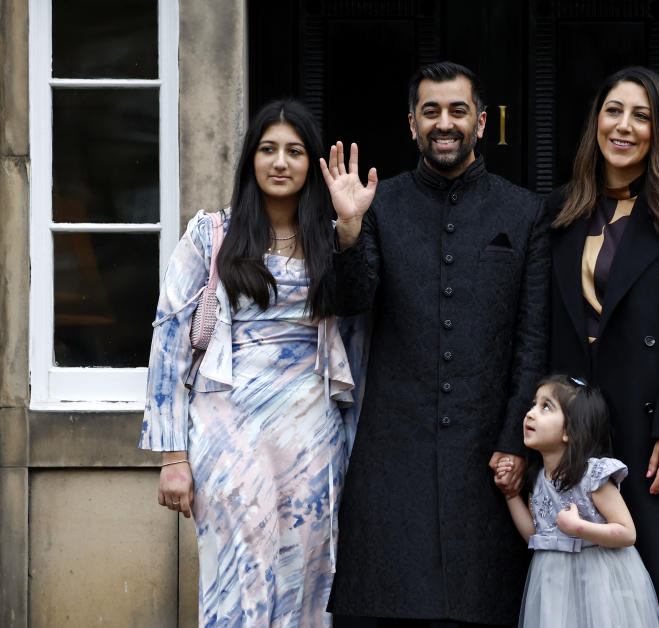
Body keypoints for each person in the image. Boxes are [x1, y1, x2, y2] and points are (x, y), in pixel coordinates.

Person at [320, 61, 550, 626]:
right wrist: (348, 230)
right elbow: (351, 300)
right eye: (431, 111)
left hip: (487, 457)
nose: (443, 123)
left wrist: (514, 444)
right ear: (411, 123)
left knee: (484, 609)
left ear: (480, 121)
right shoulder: (381, 206)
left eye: (457, 110)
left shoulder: (524, 212)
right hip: (392, 454)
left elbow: (533, 338)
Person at [140, 99, 360, 627]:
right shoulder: (210, 234)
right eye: (267, 150)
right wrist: (173, 457)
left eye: (294, 151)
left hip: (312, 432)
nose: (280, 162)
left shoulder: (331, 239)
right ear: (250, 160)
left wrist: (351, 231)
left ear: (312, 164)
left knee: (308, 576)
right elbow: (168, 343)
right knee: (237, 571)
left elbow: (363, 321)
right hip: (227, 427)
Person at [546, 67, 659, 627]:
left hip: (653, 437)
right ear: (596, 122)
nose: (624, 127)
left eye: (641, 115)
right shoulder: (556, 213)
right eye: (613, 111)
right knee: (581, 597)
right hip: (582, 433)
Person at [495, 375, 659, 628]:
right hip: (555, 583)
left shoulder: (593, 477)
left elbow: (627, 533)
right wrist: (510, 496)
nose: (530, 413)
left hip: (600, 580)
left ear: (571, 431)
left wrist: (578, 528)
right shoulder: (539, 479)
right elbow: (536, 534)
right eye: (533, 404)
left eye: (546, 407)